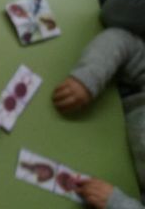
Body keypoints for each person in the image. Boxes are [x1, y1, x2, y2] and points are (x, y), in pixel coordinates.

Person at [53, 28, 145, 208]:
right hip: (96, 123)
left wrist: (117, 203)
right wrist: (89, 78)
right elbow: (121, 40)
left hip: (114, 183)